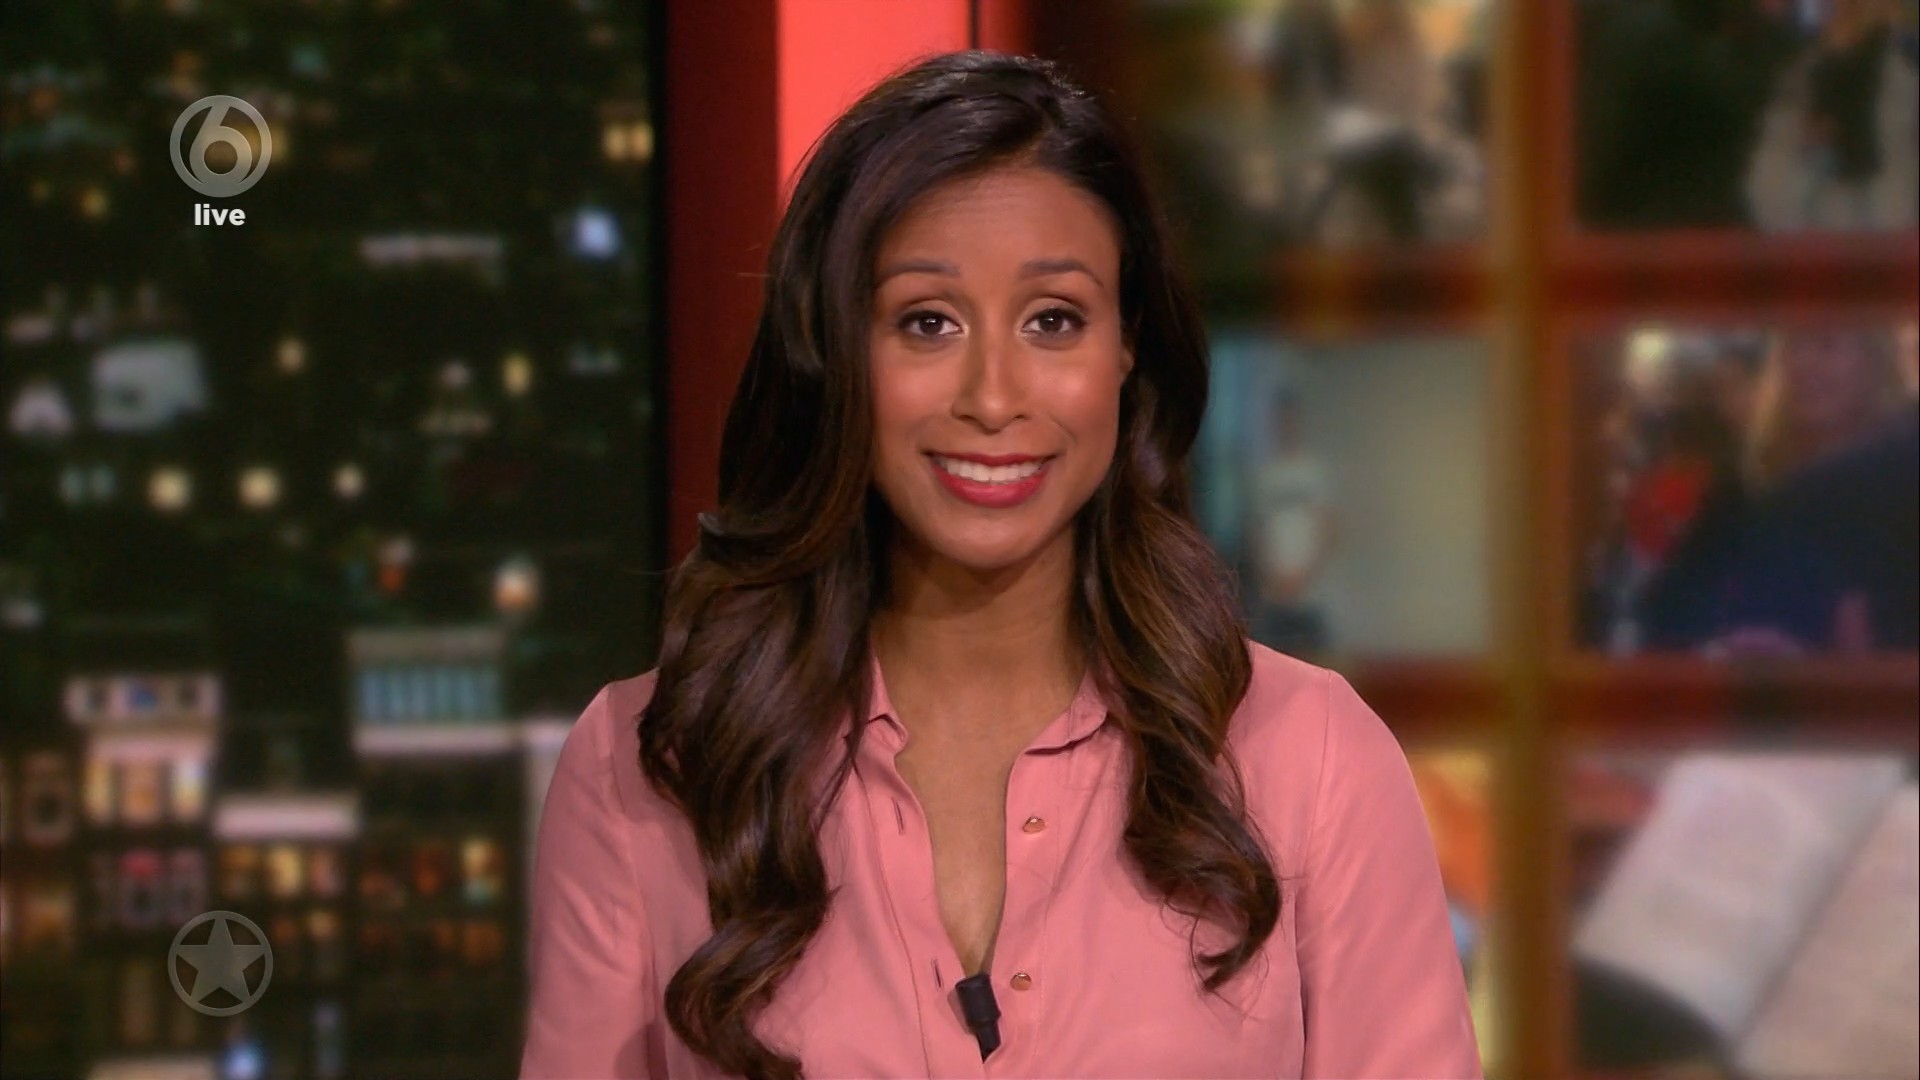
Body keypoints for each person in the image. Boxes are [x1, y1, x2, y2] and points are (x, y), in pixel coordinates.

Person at [520, 52, 1480, 1080]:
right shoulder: (649, 769)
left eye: (1052, 320)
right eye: (926, 322)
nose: (992, 396)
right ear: (837, 352)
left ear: (1126, 348)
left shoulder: (1310, 757)